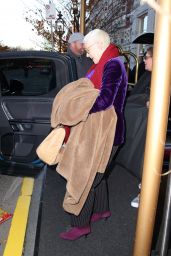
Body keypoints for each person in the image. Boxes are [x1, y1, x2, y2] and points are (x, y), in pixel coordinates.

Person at [59, 29, 128, 240]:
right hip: (106, 131)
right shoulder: (107, 63)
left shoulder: (113, 65)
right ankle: (101, 210)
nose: (87, 54)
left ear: (99, 45)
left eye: (88, 49)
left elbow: (105, 99)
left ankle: (80, 225)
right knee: (98, 173)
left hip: (107, 132)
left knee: (86, 177)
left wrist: (77, 110)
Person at [114, 47, 153, 208]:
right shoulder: (149, 74)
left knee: (146, 155)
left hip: (153, 127)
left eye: (147, 57)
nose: (144, 60)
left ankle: (146, 191)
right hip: (145, 122)